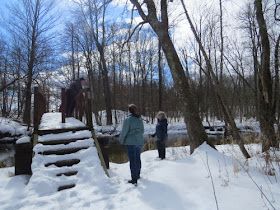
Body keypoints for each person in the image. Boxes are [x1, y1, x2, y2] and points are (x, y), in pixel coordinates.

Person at [119, 104, 144, 185]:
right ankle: (137, 175)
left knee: (133, 161)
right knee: (137, 159)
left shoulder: (128, 120)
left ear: (129, 110)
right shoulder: (139, 119)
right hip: (139, 141)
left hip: (131, 142)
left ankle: (134, 179)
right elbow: (142, 130)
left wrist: (121, 140)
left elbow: (124, 131)